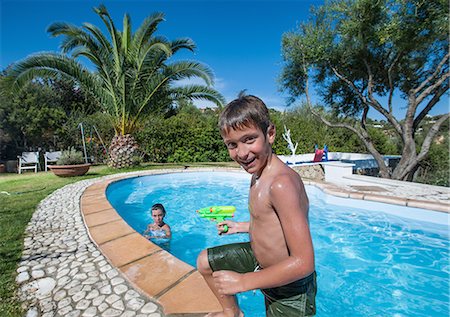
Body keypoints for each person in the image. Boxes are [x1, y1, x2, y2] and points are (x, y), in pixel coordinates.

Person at [196, 95, 316, 317]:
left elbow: (304, 262)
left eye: (249, 139)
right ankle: (232, 313)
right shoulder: (259, 173)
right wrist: (241, 226)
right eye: (232, 145)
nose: (241, 153)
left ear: (270, 133)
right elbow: (271, 224)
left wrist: (244, 281)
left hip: (290, 288)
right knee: (205, 261)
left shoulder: (282, 184)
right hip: (260, 260)